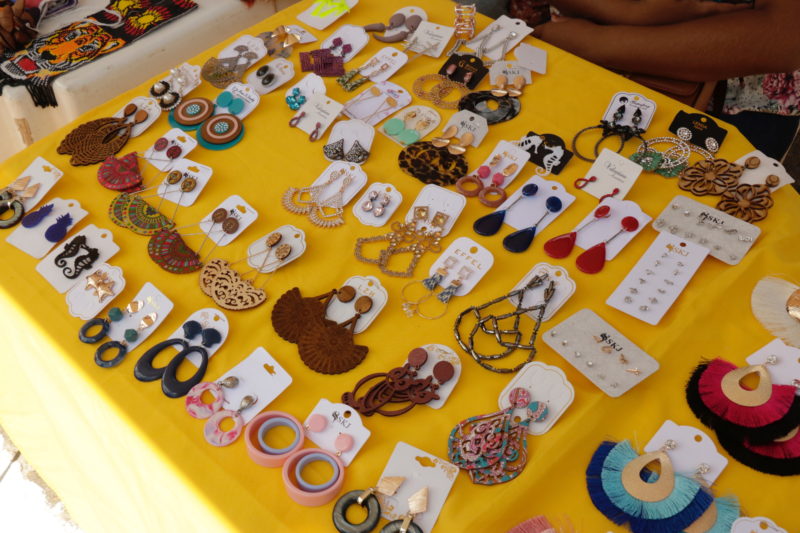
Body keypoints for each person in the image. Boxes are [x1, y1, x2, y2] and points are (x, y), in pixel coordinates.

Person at [533, 0, 800, 160]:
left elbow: (783, 37)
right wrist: (627, 15)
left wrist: (597, 43)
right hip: (572, 57)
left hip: (718, 105)